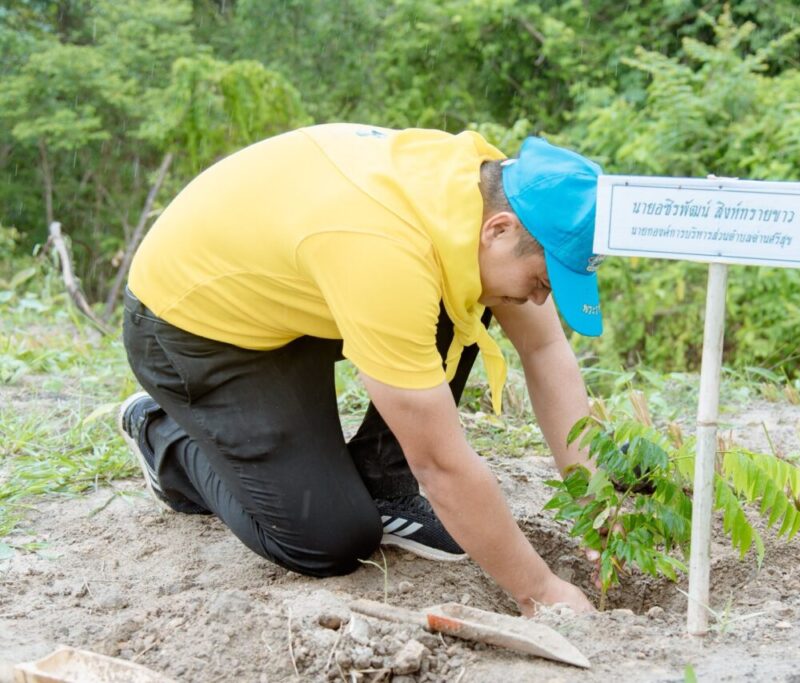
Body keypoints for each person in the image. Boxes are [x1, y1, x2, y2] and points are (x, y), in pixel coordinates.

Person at [117, 123, 606, 616]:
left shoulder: (490, 196)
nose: (540, 299)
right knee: (327, 538)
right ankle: (161, 434)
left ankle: (380, 481)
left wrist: (593, 505)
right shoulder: (387, 250)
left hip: (294, 289)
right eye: (543, 280)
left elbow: (544, 350)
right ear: (499, 230)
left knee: (480, 285)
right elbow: (439, 465)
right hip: (193, 326)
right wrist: (542, 592)